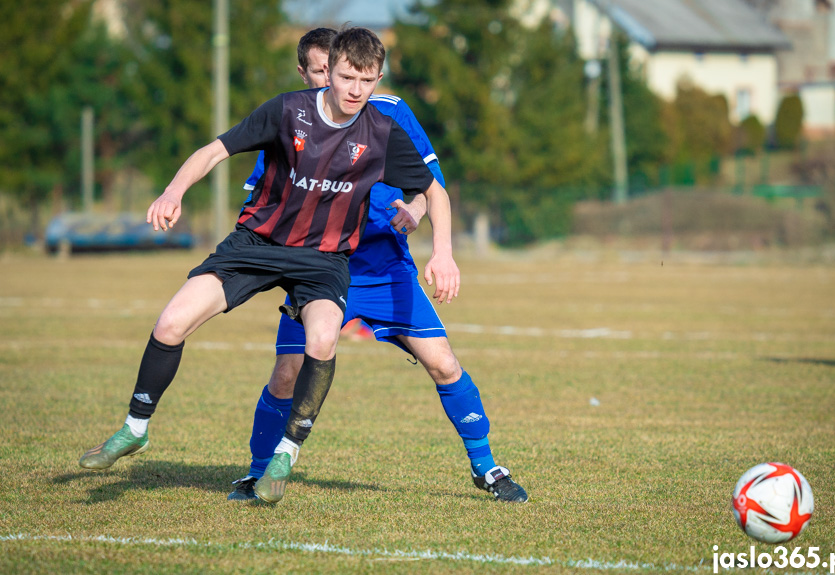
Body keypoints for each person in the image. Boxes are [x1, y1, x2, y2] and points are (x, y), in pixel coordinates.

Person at [78, 27, 460, 506]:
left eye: (367, 80)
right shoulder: (287, 110)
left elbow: (434, 190)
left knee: (321, 339)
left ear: (378, 78)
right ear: (329, 70)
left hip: (322, 260)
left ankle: (285, 452)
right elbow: (215, 150)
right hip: (256, 244)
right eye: (346, 77)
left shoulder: (382, 133)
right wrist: (174, 191)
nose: (356, 90)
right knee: (171, 322)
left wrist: (442, 252)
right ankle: (135, 428)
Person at [227, 28, 528, 504]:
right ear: (306, 74)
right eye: (325, 72)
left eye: (348, 73)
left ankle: (486, 467)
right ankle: (257, 472)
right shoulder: (292, 119)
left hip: (386, 265)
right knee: (286, 372)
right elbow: (262, 200)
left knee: (443, 362)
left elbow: (432, 186)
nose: (343, 85)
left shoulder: (388, 113)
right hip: (320, 269)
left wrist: (421, 218)